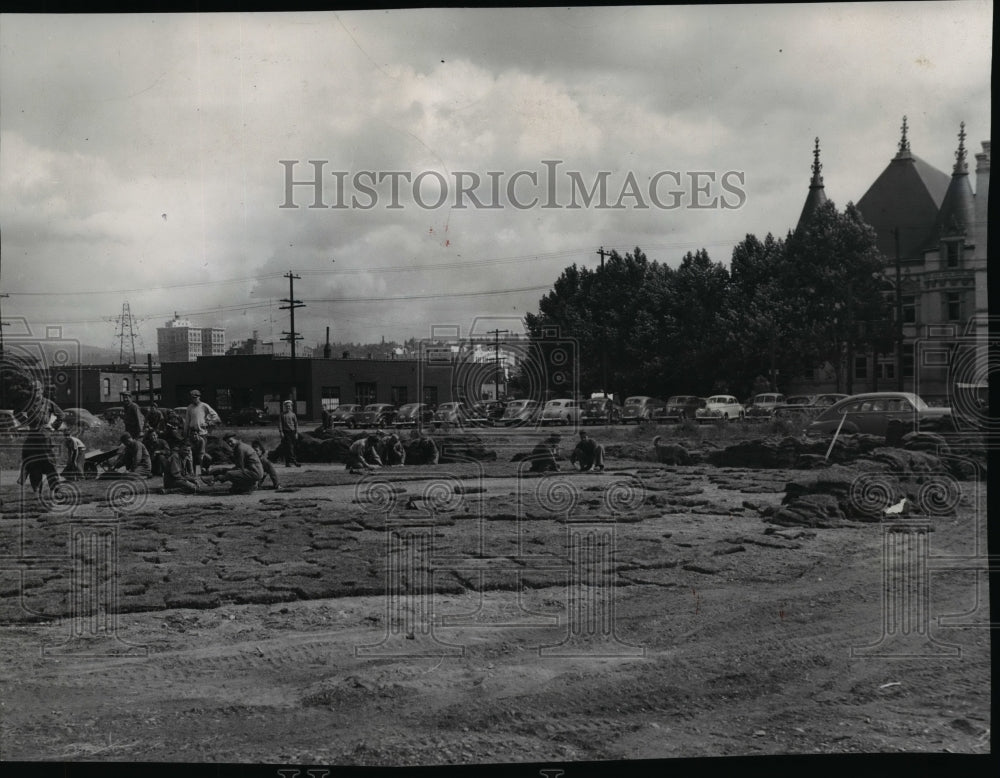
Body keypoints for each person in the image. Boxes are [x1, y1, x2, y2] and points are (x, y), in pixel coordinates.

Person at [183, 389, 220, 476]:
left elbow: (215, 416)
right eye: (192, 398)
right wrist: (185, 434)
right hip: (192, 434)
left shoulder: (204, 406)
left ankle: (204, 470)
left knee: (201, 454)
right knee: (193, 454)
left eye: (195, 397)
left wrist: (208, 423)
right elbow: (187, 422)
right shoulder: (189, 407)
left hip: (202, 434)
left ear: (199, 397)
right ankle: (196, 472)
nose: (194, 399)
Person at [20, 428, 61, 495]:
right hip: (45, 458)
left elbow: (25, 452)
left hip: (37, 459)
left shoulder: (30, 438)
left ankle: (38, 491)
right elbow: (52, 448)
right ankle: (54, 488)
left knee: (36, 474)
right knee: (50, 472)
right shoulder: (46, 435)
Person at [278, 399, 301, 467]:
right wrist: (281, 432)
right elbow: (280, 424)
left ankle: (287, 463)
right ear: (285, 407)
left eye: (289, 406)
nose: (288, 407)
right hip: (286, 432)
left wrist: (296, 433)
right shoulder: (282, 414)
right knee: (289, 447)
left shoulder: (293, 415)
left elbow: (296, 424)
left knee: (291, 447)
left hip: (292, 432)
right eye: (287, 406)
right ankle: (294, 461)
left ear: (291, 407)